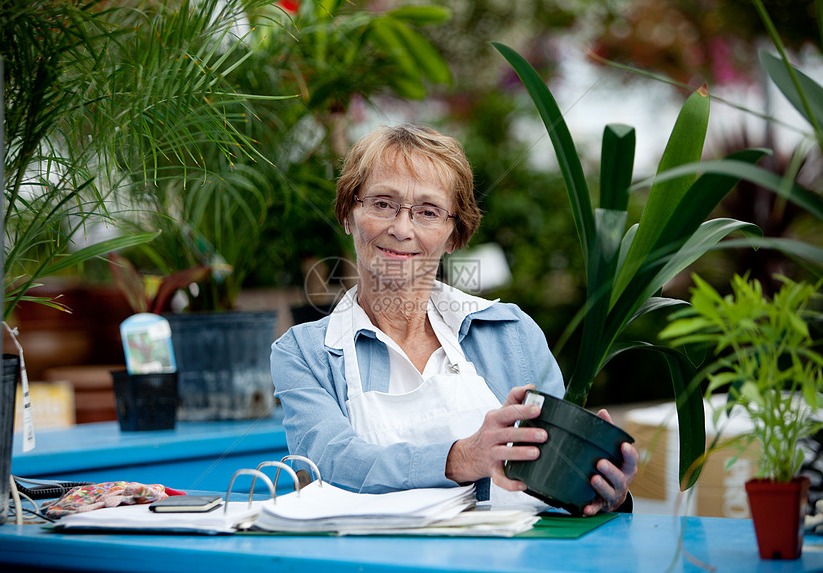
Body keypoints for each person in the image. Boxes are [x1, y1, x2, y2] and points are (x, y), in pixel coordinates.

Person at [270, 123, 637, 515]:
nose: (401, 229)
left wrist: (598, 490)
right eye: (381, 204)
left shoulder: (511, 333)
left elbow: (556, 480)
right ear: (348, 214)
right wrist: (461, 457)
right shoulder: (303, 353)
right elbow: (332, 462)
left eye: (427, 212)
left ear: (454, 235)